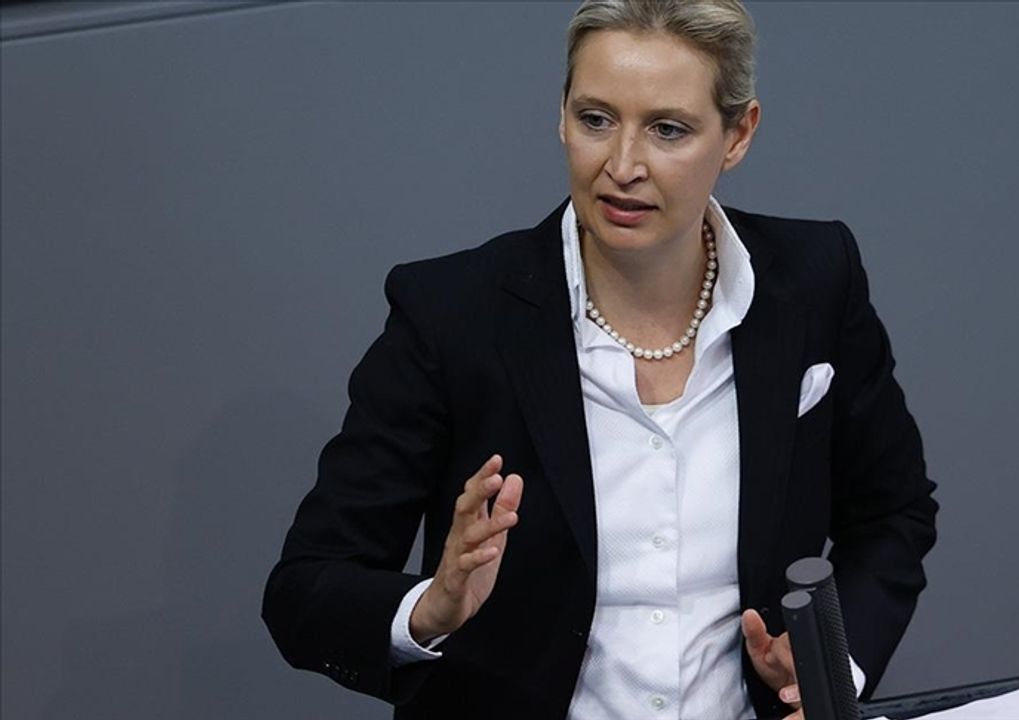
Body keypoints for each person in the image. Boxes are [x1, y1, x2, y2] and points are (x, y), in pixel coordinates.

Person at [262, 1, 937, 718]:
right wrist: (431, 609)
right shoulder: (452, 315)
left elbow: (893, 514)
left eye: (667, 129)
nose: (622, 166)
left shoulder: (815, 281)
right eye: (595, 119)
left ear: (738, 134)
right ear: (561, 116)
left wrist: (830, 672)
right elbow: (305, 588)